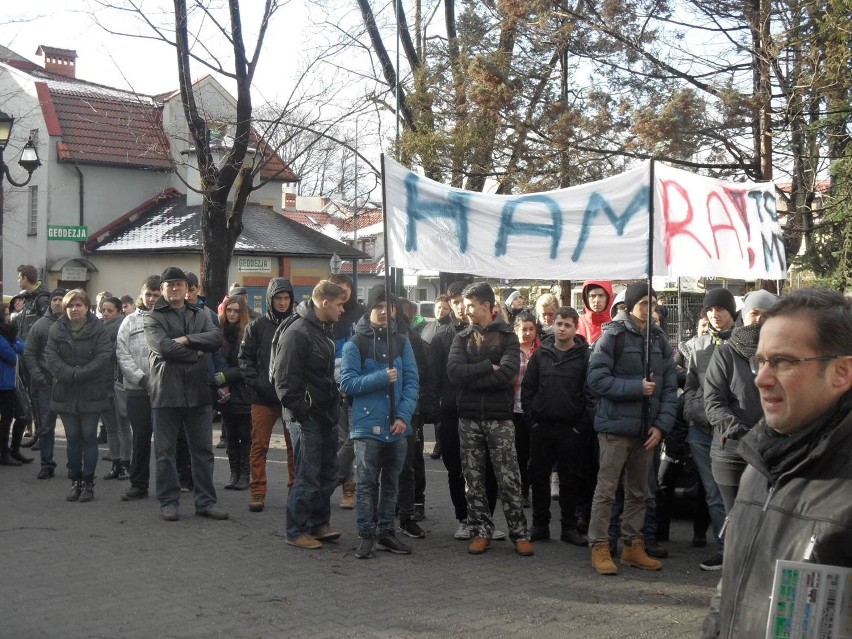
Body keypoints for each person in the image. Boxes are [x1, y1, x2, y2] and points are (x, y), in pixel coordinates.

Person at [703, 287, 852, 639]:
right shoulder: (759, 465)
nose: (761, 379)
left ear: (841, 372)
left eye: (783, 362)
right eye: (761, 361)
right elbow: (729, 591)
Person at [586, 282, 677, 575]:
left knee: (640, 492)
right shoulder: (612, 335)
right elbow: (596, 380)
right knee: (607, 490)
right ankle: (599, 544)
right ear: (629, 305)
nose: (650, 310)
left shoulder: (660, 339)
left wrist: (661, 425)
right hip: (615, 428)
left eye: (653, 304)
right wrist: (635, 388)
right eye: (644, 303)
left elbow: (669, 388)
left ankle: (632, 545)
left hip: (646, 430)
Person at [447, 282, 534, 557]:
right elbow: (453, 372)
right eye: (465, 305)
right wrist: (486, 367)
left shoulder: (508, 336)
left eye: (471, 305)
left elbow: (508, 372)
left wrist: (473, 379)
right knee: (473, 479)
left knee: (509, 478)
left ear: (486, 306)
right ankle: (480, 531)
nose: (466, 310)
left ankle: (519, 533)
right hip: (469, 419)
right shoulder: (461, 337)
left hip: (500, 418)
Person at [144, 267, 228, 522]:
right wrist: (195, 352)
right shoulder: (152, 317)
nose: (174, 289)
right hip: (165, 393)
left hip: (197, 392)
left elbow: (215, 338)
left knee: (203, 452)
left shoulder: (200, 312)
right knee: (165, 452)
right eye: (169, 285)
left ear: (185, 287)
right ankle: (169, 502)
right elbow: (163, 347)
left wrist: (186, 340)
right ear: (163, 289)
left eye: (179, 284)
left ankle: (206, 502)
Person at [341, 287, 419, 558]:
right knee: (366, 482)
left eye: (390, 306)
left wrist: (404, 416)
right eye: (379, 306)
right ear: (369, 309)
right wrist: (380, 378)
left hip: (397, 427)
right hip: (366, 427)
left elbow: (411, 382)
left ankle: (386, 533)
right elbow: (347, 383)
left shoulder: (402, 341)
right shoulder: (356, 344)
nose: (385, 311)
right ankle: (366, 534)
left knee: (391, 483)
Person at [273, 279, 348, 549]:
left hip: (325, 413)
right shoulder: (297, 333)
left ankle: (319, 524)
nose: (342, 310)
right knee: (308, 475)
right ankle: (296, 530)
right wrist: (304, 414)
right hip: (307, 418)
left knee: (328, 472)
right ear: (324, 303)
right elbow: (283, 383)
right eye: (340, 305)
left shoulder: (321, 328)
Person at [422, 280, 499, 541]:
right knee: (455, 468)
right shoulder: (442, 337)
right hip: (451, 412)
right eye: (455, 303)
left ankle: (485, 519)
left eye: (462, 302)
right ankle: (464, 518)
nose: (460, 308)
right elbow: (434, 377)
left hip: (482, 410)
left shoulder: (493, 335)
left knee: (487, 468)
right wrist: (434, 411)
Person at [522, 306, 592, 545]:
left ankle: (569, 528)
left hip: (571, 429)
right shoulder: (541, 355)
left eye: (567, 325)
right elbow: (528, 389)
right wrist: (532, 421)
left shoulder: (585, 357)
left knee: (570, 479)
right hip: (541, 427)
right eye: (558, 324)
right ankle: (540, 525)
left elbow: (589, 394)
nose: (561, 329)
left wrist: (579, 426)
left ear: (575, 327)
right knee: (538, 477)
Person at [704, 290, 778, 513]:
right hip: (732, 453)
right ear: (744, 315)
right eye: (754, 313)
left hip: (772, 451)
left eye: (767, 315)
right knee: (735, 520)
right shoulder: (726, 354)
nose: (759, 320)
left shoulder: (783, 354)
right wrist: (743, 434)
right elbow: (714, 403)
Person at [684, 287, 737, 571]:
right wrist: (694, 412)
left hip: (730, 432)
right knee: (713, 494)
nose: (715, 315)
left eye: (721, 309)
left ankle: (739, 550)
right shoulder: (699, 345)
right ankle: (724, 550)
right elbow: (691, 385)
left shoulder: (745, 344)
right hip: (701, 431)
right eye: (710, 310)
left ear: (732, 313)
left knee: (731, 491)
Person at [45, 289, 113, 502]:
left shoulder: (98, 329)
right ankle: (75, 481)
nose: (74, 309)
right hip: (65, 391)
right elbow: (50, 357)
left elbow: (104, 356)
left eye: (78, 305)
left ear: (87, 307)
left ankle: (89, 483)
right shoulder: (56, 329)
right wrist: (69, 374)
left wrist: (80, 373)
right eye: (70, 305)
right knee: (73, 439)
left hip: (91, 391)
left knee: (89, 437)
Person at [238, 277, 297, 512]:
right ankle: (258, 491)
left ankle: (295, 491)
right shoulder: (257, 326)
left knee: (294, 447)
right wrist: (257, 385)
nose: (282, 303)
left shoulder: (298, 324)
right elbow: (245, 360)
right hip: (263, 397)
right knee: (259, 445)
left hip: (290, 397)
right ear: (270, 300)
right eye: (278, 298)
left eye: (286, 298)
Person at [116, 276, 161, 501]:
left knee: (166, 441)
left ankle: (170, 485)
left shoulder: (167, 319)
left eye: (156, 295)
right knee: (141, 438)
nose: (152, 299)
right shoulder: (129, 321)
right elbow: (122, 354)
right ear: (141, 295)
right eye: (149, 294)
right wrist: (142, 380)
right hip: (137, 390)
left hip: (164, 389)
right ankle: (139, 484)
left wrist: (160, 381)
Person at [328, 273, 364, 510]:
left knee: (356, 437)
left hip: (356, 386)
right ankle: (348, 489)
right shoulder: (327, 315)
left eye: (346, 288)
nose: (343, 293)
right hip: (332, 386)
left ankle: (336, 478)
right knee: (342, 438)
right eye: (338, 289)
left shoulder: (361, 313)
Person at [22, 288, 66, 478]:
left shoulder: (75, 322)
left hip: (69, 384)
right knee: (46, 428)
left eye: (60, 299)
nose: (57, 302)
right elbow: (29, 354)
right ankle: (47, 464)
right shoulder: (40, 325)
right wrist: (39, 376)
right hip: (45, 385)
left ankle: (75, 466)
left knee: (74, 428)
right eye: (54, 299)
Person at [215, 295, 253, 491]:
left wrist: (224, 377)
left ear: (242, 313)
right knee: (230, 436)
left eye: (236, 311)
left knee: (245, 436)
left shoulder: (247, 333)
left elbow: (246, 365)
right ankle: (234, 474)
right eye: (229, 310)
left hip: (244, 392)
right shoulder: (220, 332)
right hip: (226, 394)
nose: (232, 314)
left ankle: (245, 475)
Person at [100, 296, 131, 481]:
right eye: (103, 310)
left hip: (119, 382)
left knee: (123, 426)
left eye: (109, 310)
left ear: (119, 312)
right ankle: (115, 464)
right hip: (103, 383)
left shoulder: (123, 327)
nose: (105, 314)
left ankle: (126, 464)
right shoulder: (97, 330)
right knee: (111, 427)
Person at [512, 310, 540, 506]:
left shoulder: (541, 351)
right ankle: (518, 490)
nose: (527, 333)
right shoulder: (510, 352)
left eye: (531, 329)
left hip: (534, 409)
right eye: (524, 329)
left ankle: (528, 488)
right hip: (513, 408)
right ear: (516, 330)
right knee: (517, 452)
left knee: (532, 453)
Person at [0, 303, 27, 466]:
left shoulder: (8, 332)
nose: (9, 316)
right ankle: (5, 453)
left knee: (20, 415)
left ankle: (13, 450)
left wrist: (16, 347)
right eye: (6, 313)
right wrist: (16, 347)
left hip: (10, 381)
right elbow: (10, 355)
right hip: (3, 383)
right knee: (8, 417)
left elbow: (24, 346)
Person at [576, 280, 613, 345]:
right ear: (586, 298)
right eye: (592, 296)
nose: (597, 300)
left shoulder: (616, 324)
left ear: (608, 297)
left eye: (601, 295)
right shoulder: (576, 323)